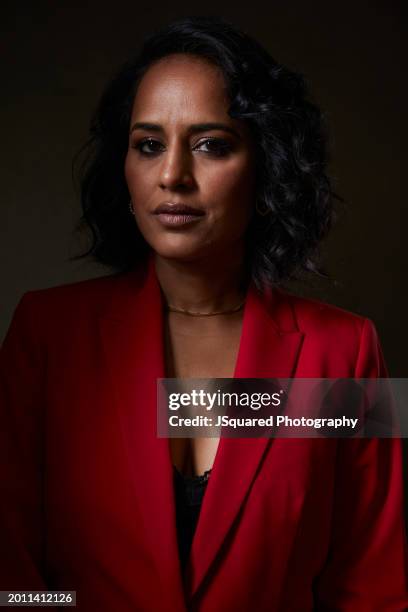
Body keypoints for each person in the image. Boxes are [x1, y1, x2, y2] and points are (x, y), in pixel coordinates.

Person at [0, 16, 406, 612]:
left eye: (211, 145)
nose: (172, 176)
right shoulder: (47, 335)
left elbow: (369, 588)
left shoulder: (344, 352)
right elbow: (15, 583)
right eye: (148, 145)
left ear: (264, 164)